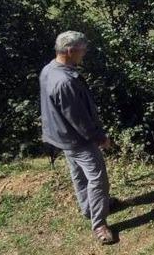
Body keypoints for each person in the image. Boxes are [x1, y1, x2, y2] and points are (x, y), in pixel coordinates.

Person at [40, 31, 115, 245]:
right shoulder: (65, 81)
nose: (85, 54)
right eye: (82, 50)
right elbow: (79, 119)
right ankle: (99, 224)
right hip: (78, 139)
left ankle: (88, 209)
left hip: (62, 137)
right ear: (70, 51)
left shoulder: (49, 69)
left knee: (78, 175)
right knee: (97, 179)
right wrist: (100, 138)